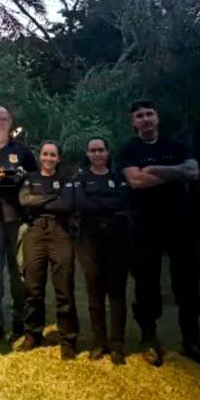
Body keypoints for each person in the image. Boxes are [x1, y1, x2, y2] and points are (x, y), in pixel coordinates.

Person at [119, 100, 200, 369]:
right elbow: (136, 181)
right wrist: (175, 174)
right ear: (133, 122)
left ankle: (192, 339)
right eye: (139, 116)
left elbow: (193, 172)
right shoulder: (129, 149)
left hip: (180, 221)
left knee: (188, 279)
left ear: (157, 117)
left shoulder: (176, 146)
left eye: (149, 114)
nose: (145, 119)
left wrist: (154, 170)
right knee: (146, 279)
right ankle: (149, 338)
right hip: (146, 223)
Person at [0, 106, 38, 342]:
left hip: (17, 219)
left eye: (4, 119)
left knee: (19, 273)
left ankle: (20, 321)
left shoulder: (22, 150)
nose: (0, 123)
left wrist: (21, 175)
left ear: (11, 122)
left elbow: (36, 179)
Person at [17, 141, 80, 360]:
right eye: (45, 154)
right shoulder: (30, 178)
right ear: (40, 156)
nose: (49, 158)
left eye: (53, 155)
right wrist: (53, 196)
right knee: (33, 287)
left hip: (59, 232)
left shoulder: (66, 180)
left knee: (64, 287)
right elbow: (24, 200)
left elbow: (67, 205)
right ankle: (33, 334)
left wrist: (39, 200)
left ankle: (68, 340)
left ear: (58, 158)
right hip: (35, 231)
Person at [74, 136, 131, 365]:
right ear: (87, 154)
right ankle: (99, 342)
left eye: (101, 150)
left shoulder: (119, 177)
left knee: (117, 292)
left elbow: (124, 200)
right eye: (93, 150)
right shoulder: (81, 179)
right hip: (90, 239)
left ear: (108, 152)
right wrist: (109, 205)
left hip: (117, 239)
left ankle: (117, 344)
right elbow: (81, 204)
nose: (97, 154)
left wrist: (96, 203)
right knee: (95, 291)